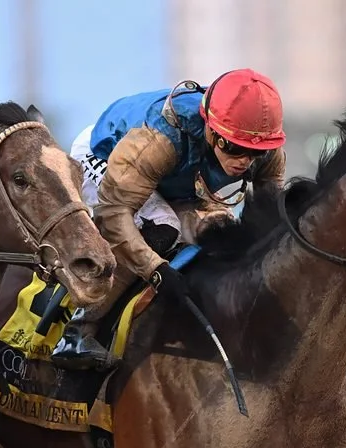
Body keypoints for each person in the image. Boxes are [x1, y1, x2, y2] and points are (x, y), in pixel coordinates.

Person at [51, 69, 287, 370]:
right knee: (162, 229)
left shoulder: (264, 148)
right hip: (105, 154)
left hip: (172, 175)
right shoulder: (160, 140)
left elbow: (271, 221)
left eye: (256, 152)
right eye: (234, 147)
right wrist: (156, 269)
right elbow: (113, 213)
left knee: (222, 230)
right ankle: (78, 331)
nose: (244, 160)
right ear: (211, 131)